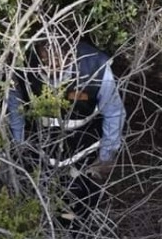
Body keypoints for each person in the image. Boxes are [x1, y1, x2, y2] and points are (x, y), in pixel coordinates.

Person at [7, 37, 125, 179]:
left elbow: (113, 112)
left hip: (85, 150)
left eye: (58, 59)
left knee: (84, 195)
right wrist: (19, 145)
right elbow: (15, 105)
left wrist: (106, 157)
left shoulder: (95, 65)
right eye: (45, 60)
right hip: (39, 150)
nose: (52, 66)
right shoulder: (23, 64)